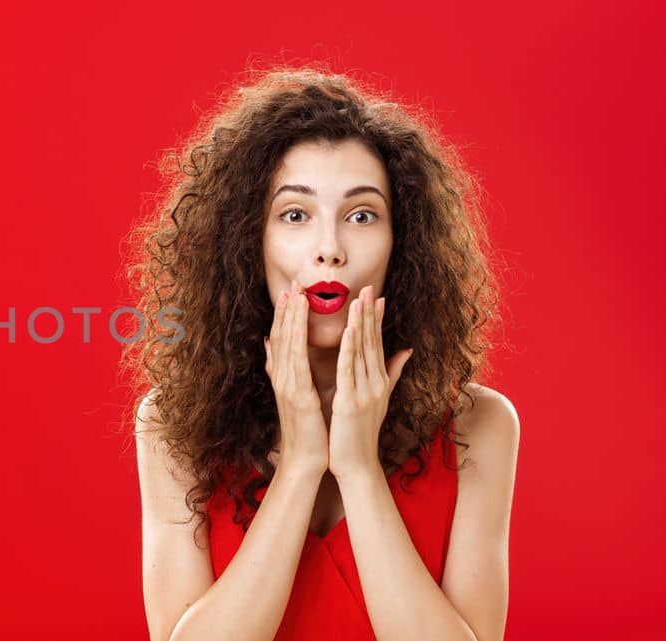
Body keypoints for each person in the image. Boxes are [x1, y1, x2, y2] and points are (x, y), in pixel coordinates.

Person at [123, 68, 520, 641]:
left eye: (361, 216)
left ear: (401, 243)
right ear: (246, 241)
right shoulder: (171, 424)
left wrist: (358, 469)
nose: (330, 249)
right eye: (295, 215)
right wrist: (302, 464)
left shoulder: (480, 425)